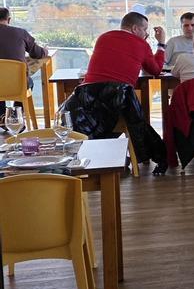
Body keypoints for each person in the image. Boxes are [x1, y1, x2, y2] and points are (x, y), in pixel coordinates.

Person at [65, 11, 168, 174]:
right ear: (135, 28)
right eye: (145, 30)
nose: (146, 34)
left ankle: (94, 154)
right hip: (119, 99)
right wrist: (161, 44)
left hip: (87, 99)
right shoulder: (142, 45)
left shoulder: (103, 37)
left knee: (107, 115)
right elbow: (155, 69)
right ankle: (151, 156)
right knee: (128, 115)